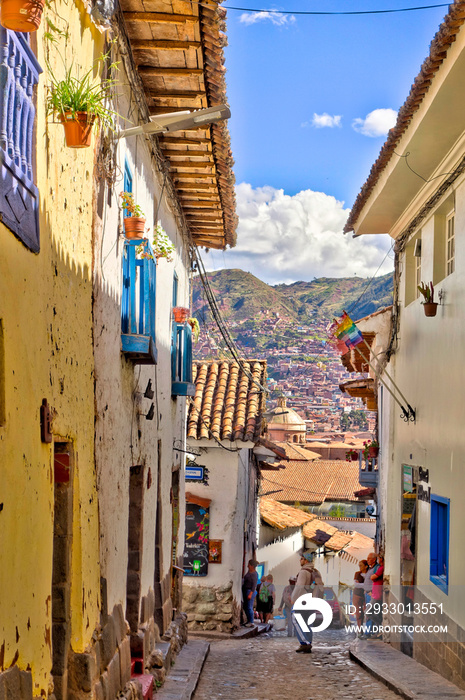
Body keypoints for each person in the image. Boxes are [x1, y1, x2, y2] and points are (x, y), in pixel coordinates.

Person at [291, 551, 324, 653]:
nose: (300, 560)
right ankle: (308, 642)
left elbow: (299, 587)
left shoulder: (303, 572)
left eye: (301, 558)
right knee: (307, 622)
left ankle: (304, 643)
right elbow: (321, 587)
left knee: (296, 620)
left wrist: (293, 599)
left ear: (305, 560)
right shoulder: (316, 572)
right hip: (311, 602)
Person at [362, 552, 379, 638]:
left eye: (369, 558)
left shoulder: (376, 569)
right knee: (369, 613)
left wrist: (371, 592)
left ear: (374, 559)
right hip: (367, 594)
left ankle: (368, 633)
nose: (367, 560)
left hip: (371, 594)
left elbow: (376, 581)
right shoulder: (370, 568)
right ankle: (370, 632)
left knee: (369, 613)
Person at [369, 553, 384, 639]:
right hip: (375, 593)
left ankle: (380, 624)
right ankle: (378, 631)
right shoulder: (380, 568)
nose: (378, 560)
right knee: (377, 613)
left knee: (369, 612)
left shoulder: (381, 568)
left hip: (377, 594)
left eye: (379, 558)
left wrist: (372, 576)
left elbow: (373, 577)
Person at [242, 559, 259, 627]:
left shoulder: (254, 574)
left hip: (250, 591)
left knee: (249, 607)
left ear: (252, 566)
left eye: (249, 564)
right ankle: (249, 620)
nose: (247, 566)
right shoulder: (249, 572)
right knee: (245, 606)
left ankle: (251, 622)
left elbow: (254, 585)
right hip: (246, 590)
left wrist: (250, 594)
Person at [352, 559, 368, 633]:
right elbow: (356, 585)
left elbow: (360, 585)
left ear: (366, 566)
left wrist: (361, 585)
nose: (359, 567)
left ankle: (369, 630)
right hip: (357, 595)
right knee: (359, 613)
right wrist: (365, 585)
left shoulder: (369, 574)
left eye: (361, 565)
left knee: (367, 612)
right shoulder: (357, 574)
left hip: (367, 594)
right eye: (359, 565)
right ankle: (360, 630)